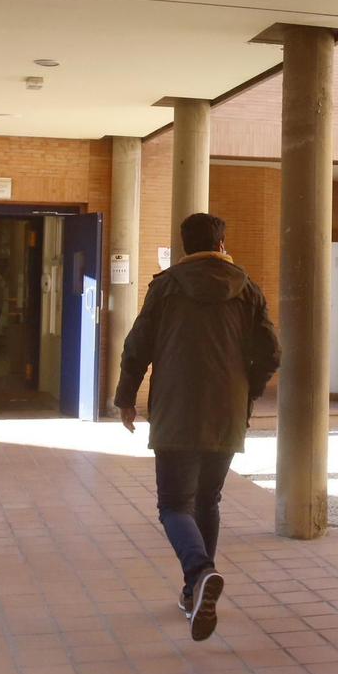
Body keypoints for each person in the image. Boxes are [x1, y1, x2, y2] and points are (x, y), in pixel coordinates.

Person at [115, 212, 281, 641]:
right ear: (222, 243)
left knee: (174, 505)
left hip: (176, 408)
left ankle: (199, 571)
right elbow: (269, 354)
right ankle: (195, 592)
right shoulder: (247, 289)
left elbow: (138, 346)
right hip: (226, 411)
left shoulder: (167, 286)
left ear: (185, 245)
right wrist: (247, 393)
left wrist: (125, 397)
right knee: (207, 499)